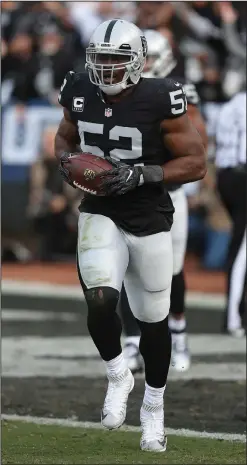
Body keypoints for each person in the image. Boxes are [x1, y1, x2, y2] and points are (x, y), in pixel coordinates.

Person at [55, 19, 206, 452]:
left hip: (150, 213)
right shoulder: (78, 88)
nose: (104, 68)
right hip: (101, 210)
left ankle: (154, 407)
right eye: (98, 59)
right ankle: (118, 373)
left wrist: (142, 174)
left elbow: (195, 162)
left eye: (115, 60)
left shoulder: (162, 96)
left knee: (153, 321)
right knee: (101, 300)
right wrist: (71, 165)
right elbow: (65, 139)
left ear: (137, 62)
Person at [120, 29, 208, 374]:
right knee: (129, 269)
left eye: (151, 58)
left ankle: (179, 334)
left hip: (167, 191)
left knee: (171, 269)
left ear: (165, 58)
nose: (144, 65)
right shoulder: (122, 91)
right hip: (131, 191)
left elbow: (196, 137)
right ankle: (131, 342)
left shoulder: (177, 89)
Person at [215, 90, 246, 337]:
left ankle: (238, 312)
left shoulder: (232, 104)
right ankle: (234, 316)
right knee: (242, 246)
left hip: (227, 174)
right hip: (242, 173)